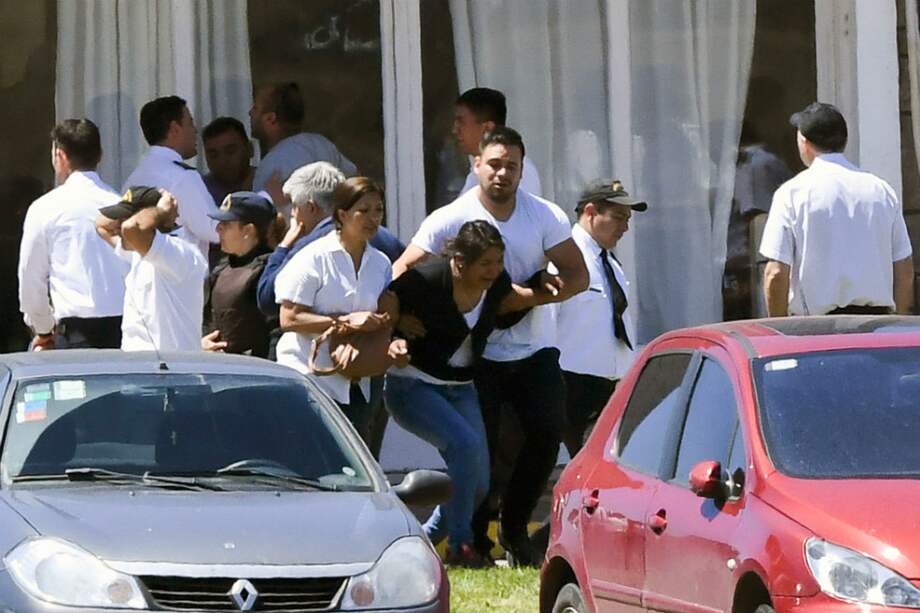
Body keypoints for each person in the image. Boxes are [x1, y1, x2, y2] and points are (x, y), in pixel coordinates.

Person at [392, 126, 589, 566]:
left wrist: (543, 294)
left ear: (523, 170)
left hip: (535, 347)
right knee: (482, 450)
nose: (503, 173)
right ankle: (474, 538)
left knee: (546, 433)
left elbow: (579, 276)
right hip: (476, 355)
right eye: (494, 164)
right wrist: (401, 320)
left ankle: (516, 529)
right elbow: (402, 272)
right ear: (476, 165)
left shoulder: (545, 216)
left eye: (512, 166)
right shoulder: (450, 217)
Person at [382, 220, 562, 566]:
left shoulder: (496, 285)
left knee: (478, 481)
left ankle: (420, 539)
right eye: (486, 263)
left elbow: (514, 302)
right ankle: (461, 547)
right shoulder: (427, 280)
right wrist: (397, 327)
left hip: (461, 386)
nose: (494, 271)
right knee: (465, 448)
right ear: (459, 262)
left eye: (499, 262)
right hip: (413, 385)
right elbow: (386, 301)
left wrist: (542, 284)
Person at [760, 102, 914, 316]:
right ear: (845, 141)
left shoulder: (792, 194)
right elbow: (904, 268)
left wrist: (780, 334)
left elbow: (775, 273)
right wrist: (897, 323)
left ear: (804, 142)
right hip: (876, 328)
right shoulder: (881, 190)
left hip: (816, 331)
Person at [274, 177, 393, 440]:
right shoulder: (313, 258)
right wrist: (346, 321)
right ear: (342, 214)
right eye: (364, 210)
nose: (373, 218)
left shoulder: (380, 263)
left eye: (379, 210)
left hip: (357, 378)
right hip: (309, 378)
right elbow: (289, 318)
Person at [18, 118, 128, 350]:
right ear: (100, 155)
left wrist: (43, 329)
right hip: (125, 331)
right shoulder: (120, 205)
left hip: (74, 334)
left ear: (59, 156)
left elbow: (31, 279)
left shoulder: (45, 208)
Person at [556, 179, 646, 457]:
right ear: (591, 212)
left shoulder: (609, 263)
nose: (625, 227)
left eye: (627, 219)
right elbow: (547, 324)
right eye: (618, 217)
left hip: (609, 385)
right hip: (571, 384)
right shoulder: (566, 258)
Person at [96, 186, 208, 352]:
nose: (118, 227)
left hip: (171, 370)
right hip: (140, 367)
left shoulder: (178, 254)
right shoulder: (138, 253)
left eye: (125, 219)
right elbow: (101, 224)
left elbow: (131, 229)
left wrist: (162, 211)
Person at [124, 96, 219, 260]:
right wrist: (265, 197)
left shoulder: (133, 179)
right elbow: (215, 230)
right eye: (190, 123)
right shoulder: (183, 177)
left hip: (142, 280)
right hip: (180, 280)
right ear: (175, 129)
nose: (196, 130)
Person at [202, 192, 276, 357]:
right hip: (217, 368)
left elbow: (275, 332)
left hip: (254, 373)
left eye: (226, 224)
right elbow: (207, 320)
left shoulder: (268, 270)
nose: (217, 229)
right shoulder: (221, 269)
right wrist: (203, 343)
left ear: (248, 230)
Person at [249, 82, 357, 193]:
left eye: (255, 108)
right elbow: (353, 182)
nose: (250, 113)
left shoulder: (274, 164)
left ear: (270, 118)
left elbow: (264, 207)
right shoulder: (321, 144)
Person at [454, 88, 541, 196]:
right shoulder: (475, 174)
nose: (455, 130)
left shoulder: (520, 171)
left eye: (461, 122)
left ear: (487, 128)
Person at [202, 117, 256, 207]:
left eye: (230, 151)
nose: (222, 161)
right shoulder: (200, 191)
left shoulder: (268, 183)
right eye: (213, 155)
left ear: (250, 149)